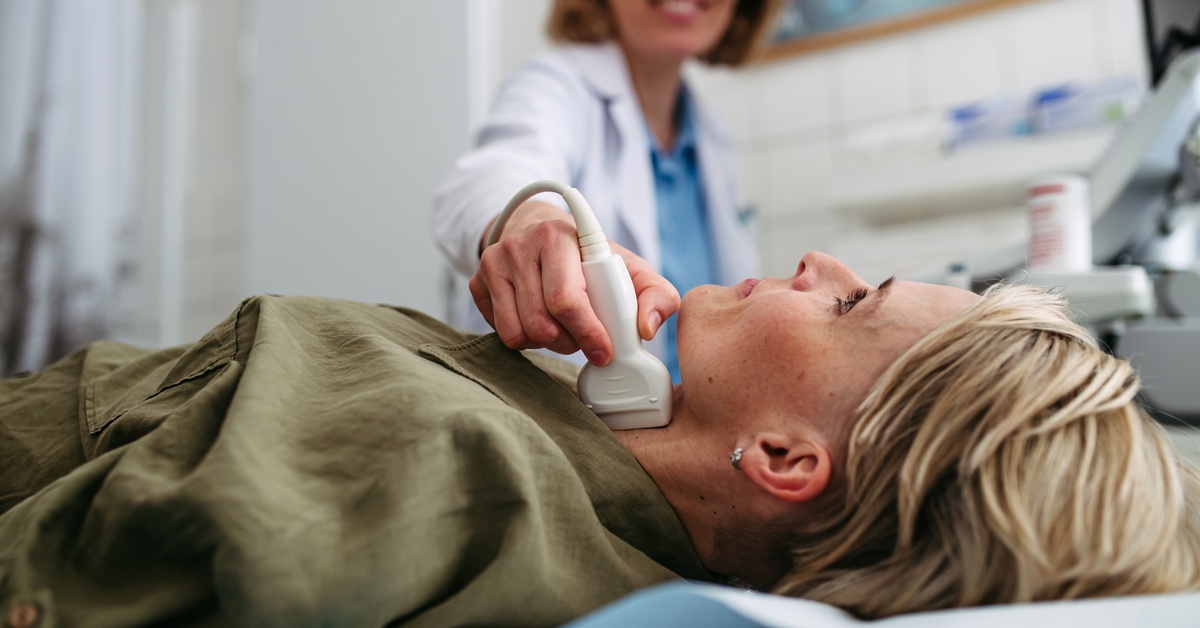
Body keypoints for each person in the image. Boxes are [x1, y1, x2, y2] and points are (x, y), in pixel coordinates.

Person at [1, 251, 1198, 626]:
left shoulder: (474, 492)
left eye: (848, 306)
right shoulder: (563, 420)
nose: (817, 264)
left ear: (786, 458)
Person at [432, 0, 782, 384]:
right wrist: (529, 222)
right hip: (557, 412)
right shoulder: (555, 85)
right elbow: (490, 177)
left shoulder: (712, 133)